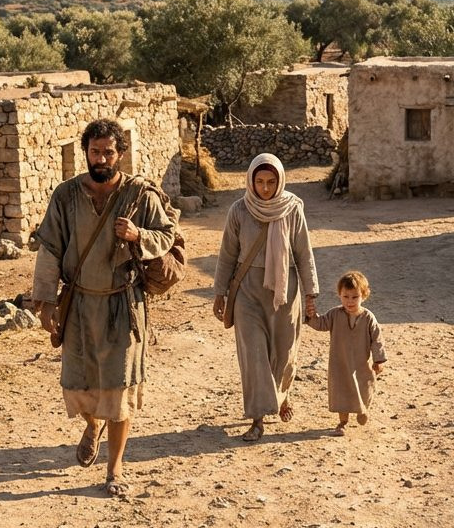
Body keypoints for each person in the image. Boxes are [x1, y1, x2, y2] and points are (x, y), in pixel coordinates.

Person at [31, 119, 178, 497]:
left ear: (121, 154)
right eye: (95, 152)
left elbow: (166, 236)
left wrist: (137, 235)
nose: (101, 159)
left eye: (108, 152)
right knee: (77, 383)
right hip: (79, 303)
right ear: (86, 153)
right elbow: (49, 248)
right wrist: (45, 300)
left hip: (124, 305)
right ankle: (91, 424)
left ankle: (115, 470)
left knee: (119, 389)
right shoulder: (65, 196)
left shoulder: (140, 195)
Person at [213, 153, 319, 442]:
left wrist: (311, 295)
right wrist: (219, 293)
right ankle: (258, 418)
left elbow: (303, 253)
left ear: (280, 181)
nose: (265, 188)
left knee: (284, 353)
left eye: (271, 182)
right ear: (250, 180)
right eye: (259, 182)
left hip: (285, 289)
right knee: (254, 355)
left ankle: (281, 395)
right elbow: (227, 255)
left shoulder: (293, 208)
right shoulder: (239, 210)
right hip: (247, 290)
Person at [305, 270, 387, 436]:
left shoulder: (368, 318)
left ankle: (363, 409)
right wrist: (312, 316)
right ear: (339, 295)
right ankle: (342, 422)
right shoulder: (335, 314)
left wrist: (378, 360)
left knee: (364, 388)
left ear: (364, 295)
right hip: (340, 364)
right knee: (341, 392)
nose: (350, 301)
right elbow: (321, 324)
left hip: (361, 364)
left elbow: (377, 339)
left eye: (355, 297)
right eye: (346, 297)